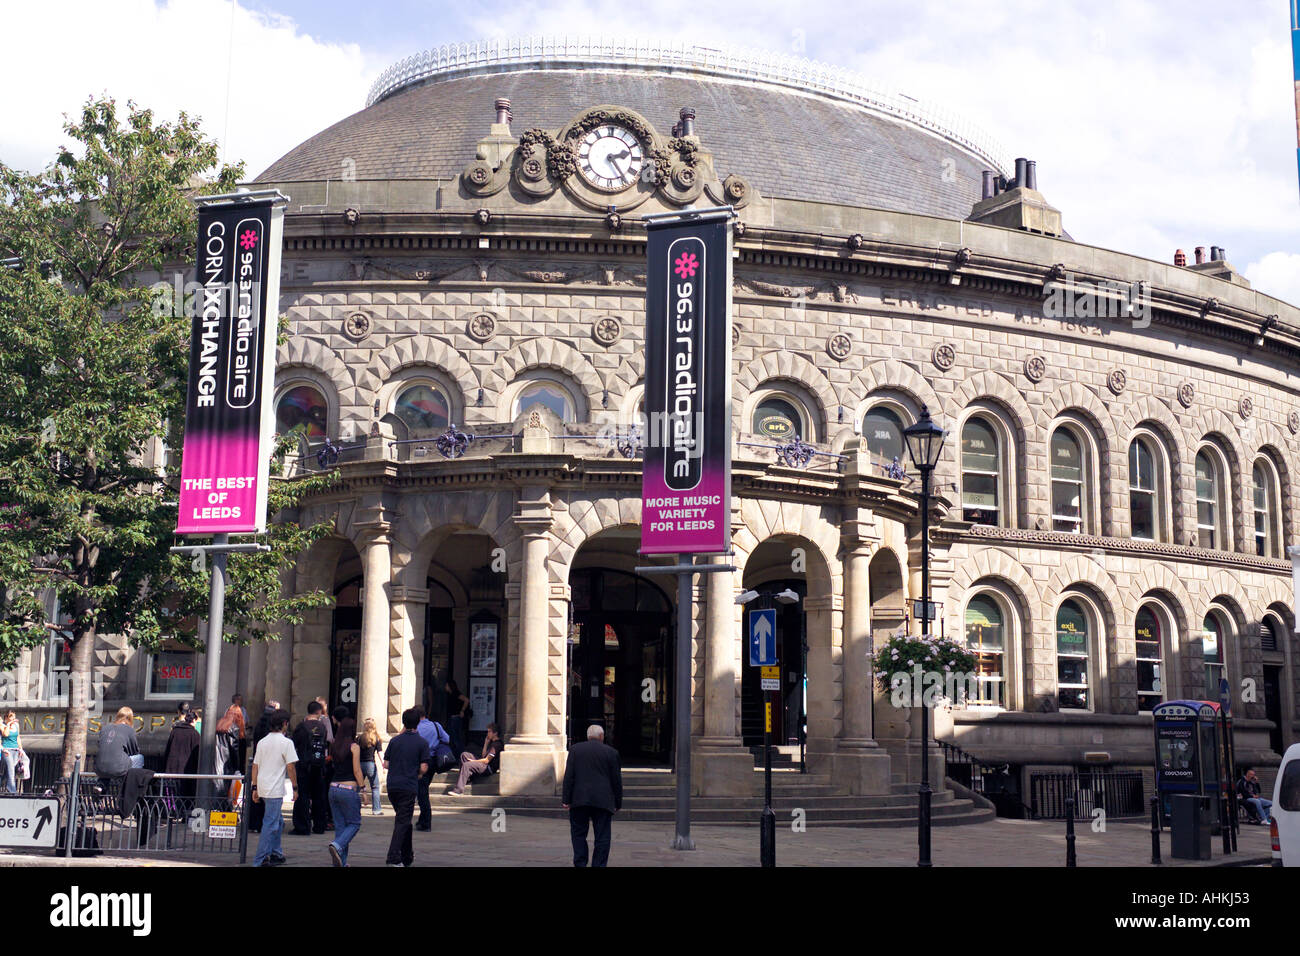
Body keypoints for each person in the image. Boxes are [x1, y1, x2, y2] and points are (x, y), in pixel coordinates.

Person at [562, 724, 623, 868]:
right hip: (603, 800)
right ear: (602, 736)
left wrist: (566, 799)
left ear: (588, 736)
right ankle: (599, 864)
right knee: (602, 837)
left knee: (578, 835)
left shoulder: (575, 750)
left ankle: (580, 863)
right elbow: (616, 780)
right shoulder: (611, 752)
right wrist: (618, 802)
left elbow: (569, 776)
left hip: (579, 799)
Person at [250, 710, 299, 867]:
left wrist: (255, 787)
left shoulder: (263, 742)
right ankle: (260, 859)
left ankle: (276, 853)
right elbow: (291, 768)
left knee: (277, 821)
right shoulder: (286, 743)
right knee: (271, 824)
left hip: (263, 785)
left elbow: (255, 766)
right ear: (284, 723)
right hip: (274, 788)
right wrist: (295, 787)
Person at [382, 707, 428, 867]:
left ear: (403, 722)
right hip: (408, 786)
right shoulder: (422, 743)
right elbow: (423, 767)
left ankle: (407, 855)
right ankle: (393, 857)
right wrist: (418, 774)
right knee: (402, 822)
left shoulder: (394, 741)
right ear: (418, 723)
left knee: (404, 820)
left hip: (393, 786)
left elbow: (386, 763)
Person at [326, 718, 364, 866]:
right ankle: (336, 846)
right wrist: (364, 789)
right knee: (354, 823)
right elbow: (356, 770)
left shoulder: (334, 746)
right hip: (348, 789)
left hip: (333, 787)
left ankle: (341, 861)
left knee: (341, 827)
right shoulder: (354, 747)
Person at [290, 701, 330, 835]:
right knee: (319, 796)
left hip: (304, 765)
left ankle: (302, 826)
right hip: (319, 765)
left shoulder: (302, 727)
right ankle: (319, 825)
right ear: (319, 712)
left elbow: (293, 744)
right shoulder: (322, 727)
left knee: (303, 795)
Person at [413, 706, 450, 831]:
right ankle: (422, 820)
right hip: (433, 761)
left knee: (422, 793)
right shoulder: (436, 725)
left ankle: (426, 823)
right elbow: (447, 739)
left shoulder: (415, 728)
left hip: (420, 762)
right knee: (423, 789)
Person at [161, 705, 200, 814]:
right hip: (187, 771)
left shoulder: (174, 732)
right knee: (186, 795)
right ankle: (184, 813)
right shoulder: (195, 734)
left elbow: (167, 750)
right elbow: (196, 755)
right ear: (193, 721)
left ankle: (171, 812)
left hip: (172, 769)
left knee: (172, 794)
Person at [248, 700, 279, 833]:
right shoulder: (272, 729)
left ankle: (254, 822)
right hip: (270, 763)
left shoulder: (259, 725)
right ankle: (266, 823)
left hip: (259, 761)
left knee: (257, 792)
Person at [446, 723, 502, 796]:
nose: (487, 733)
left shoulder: (497, 745)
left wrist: (473, 761)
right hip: (484, 763)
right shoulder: (492, 743)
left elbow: (486, 761)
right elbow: (483, 755)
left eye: (489, 731)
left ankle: (458, 790)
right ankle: (468, 779)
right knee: (464, 755)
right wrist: (486, 743)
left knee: (467, 765)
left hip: (488, 768)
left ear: (495, 733)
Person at [94, 707, 142, 781]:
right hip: (118, 768)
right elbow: (134, 751)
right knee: (140, 758)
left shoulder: (105, 728)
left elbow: (101, 746)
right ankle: (130, 787)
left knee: (109, 762)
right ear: (130, 719)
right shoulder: (129, 730)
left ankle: (101, 786)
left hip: (98, 768)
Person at [358, 717, 385, 815]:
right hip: (370, 765)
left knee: (357, 788)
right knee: (375, 787)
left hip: (360, 764)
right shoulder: (376, 739)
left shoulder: (359, 738)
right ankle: (376, 810)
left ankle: (355, 809)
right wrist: (383, 764)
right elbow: (380, 753)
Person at [214, 700, 246, 777]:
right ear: (238, 716)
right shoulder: (234, 729)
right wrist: (238, 769)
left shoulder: (219, 725)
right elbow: (234, 751)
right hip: (227, 768)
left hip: (216, 765)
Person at [445, 680, 470, 754]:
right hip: (452, 718)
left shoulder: (456, 694)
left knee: (456, 738)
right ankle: (455, 754)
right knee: (452, 737)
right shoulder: (449, 694)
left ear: (450, 686)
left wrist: (462, 710)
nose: (445, 687)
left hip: (455, 718)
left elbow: (466, 700)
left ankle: (461, 753)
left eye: (446, 685)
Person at [0, 711, 21, 794]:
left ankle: (5, 786)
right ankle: (13, 791)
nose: (13, 719)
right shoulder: (3, 726)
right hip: (7, 750)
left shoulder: (17, 725)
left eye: (14, 717)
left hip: (15, 750)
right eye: (11, 717)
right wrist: (8, 725)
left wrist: (21, 749)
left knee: (7, 772)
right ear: (6, 718)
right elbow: (5, 734)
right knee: (11, 770)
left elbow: (18, 737)